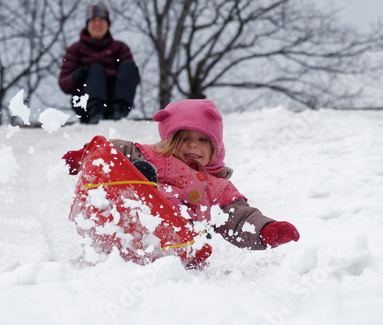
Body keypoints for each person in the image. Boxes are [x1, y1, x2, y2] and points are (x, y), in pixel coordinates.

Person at [63, 99, 300, 250]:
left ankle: (185, 234)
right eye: (184, 139)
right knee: (135, 169)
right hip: (136, 224)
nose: (193, 146)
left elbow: (238, 216)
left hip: (178, 242)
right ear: (171, 141)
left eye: (202, 140)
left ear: (215, 147)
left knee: (196, 233)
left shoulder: (217, 187)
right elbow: (112, 151)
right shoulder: (148, 155)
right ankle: (146, 190)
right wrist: (86, 155)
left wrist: (264, 230)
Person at [58, 3, 140, 124]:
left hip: (115, 102)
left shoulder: (120, 48)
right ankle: (95, 111)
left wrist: (105, 74)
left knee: (128, 66)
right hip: (86, 104)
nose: (97, 24)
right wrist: (77, 76)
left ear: (107, 24)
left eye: (101, 20)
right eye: (93, 20)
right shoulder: (75, 50)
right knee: (96, 69)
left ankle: (119, 110)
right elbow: (64, 85)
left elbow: (133, 77)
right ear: (87, 24)